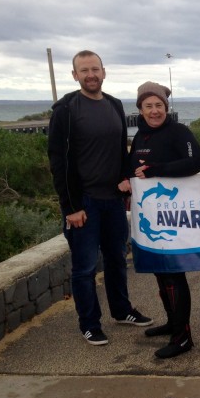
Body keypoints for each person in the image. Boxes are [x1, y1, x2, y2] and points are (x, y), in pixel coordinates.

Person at [48, 50, 152, 346]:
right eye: (84, 70)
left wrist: (125, 179)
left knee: (117, 259)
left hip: (113, 201)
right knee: (84, 268)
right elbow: (58, 161)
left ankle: (121, 310)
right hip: (85, 203)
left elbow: (122, 150)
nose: (91, 74)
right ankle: (90, 324)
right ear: (75, 75)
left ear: (104, 72)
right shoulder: (66, 109)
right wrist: (71, 207)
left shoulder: (114, 105)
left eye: (95, 69)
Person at [117, 81, 200, 358]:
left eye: (159, 106)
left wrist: (157, 170)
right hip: (150, 218)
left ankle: (183, 337)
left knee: (174, 276)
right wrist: (125, 180)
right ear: (140, 110)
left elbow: (195, 162)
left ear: (166, 107)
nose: (154, 111)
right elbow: (133, 168)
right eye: (148, 106)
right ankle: (172, 323)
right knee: (160, 273)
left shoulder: (179, 132)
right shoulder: (141, 138)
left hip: (175, 218)